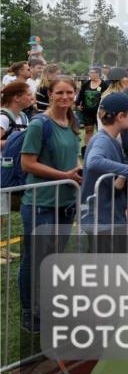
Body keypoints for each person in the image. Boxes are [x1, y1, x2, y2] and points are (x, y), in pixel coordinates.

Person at [18, 75, 81, 331]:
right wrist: (65, 176)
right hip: (41, 204)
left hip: (65, 203)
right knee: (35, 260)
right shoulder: (39, 124)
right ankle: (29, 313)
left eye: (69, 93)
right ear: (50, 94)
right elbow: (27, 163)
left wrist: (76, 170)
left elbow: (69, 158)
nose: (65, 97)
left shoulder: (72, 121)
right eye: (60, 93)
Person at [81, 93, 128, 229]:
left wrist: (125, 167)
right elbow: (94, 161)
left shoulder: (111, 139)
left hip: (108, 217)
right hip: (101, 221)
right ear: (121, 116)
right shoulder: (102, 140)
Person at [1, 81, 32, 265]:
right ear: (17, 97)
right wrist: (16, 141)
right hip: (1, 169)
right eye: (28, 94)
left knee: (3, 213)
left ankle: (2, 247)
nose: (31, 97)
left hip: (12, 170)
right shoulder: (3, 117)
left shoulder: (24, 118)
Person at [77, 66, 108, 146]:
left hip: (100, 112)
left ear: (98, 74)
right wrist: (77, 104)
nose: (91, 74)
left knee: (100, 131)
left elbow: (107, 97)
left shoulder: (104, 85)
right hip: (87, 112)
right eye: (90, 72)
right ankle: (87, 148)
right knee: (88, 130)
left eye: (93, 72)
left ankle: (100, 147)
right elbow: (80, 95)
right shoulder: (86, 84)